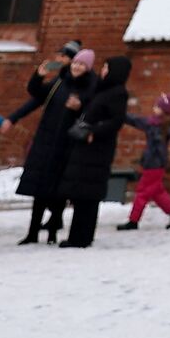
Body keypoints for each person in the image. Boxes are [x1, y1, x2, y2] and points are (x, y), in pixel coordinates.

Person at [5, 41, 94, 245]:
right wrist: (38, 76)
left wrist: (79, 108)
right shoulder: (58, 82)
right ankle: (33, 232)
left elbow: (92, 111)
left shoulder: (88, 86)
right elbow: (36, 96)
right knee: (39, 188)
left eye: (70, 59)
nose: (72, 65)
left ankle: (53, 229)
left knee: (58, 190)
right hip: (46, 141)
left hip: (66, 144)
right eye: (73, 63)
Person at [58, 55, 131, 248]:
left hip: (97, 148)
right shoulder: (103, 89)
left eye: (107, 67)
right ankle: (77, 235)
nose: (103, 71)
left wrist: (94, 133)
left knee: (88, 194)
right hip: (86, 147)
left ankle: (81, 237)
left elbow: (116, 121)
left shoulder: (118, 93)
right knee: (81, 193)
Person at [117, 92, 170, 231]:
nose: (154, 108)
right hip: (150, 161)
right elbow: (134, 120)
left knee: (143, 192)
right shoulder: (150, 122)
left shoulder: (167, 126)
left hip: (156, 164)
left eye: (158, 106)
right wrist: (118, 113)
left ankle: (133, 221)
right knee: (156, 191)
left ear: (164, 110)